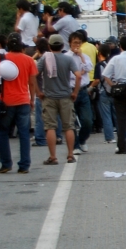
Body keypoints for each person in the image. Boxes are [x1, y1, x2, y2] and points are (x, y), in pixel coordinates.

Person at [0, 33, 38, 174]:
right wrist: (32, 99)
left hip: (6, 102)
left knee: (3, 132)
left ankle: (6, 164)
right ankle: (24, 165)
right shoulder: (29, 60)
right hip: (23, 100)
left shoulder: (2, 58)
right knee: (24, 134)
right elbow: (32, 83)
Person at [36, 33, 81, 164]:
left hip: (49, 97)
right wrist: (75, 92)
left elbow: (34, 74)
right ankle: (70, 155)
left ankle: (53, 157)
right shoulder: (68, 59)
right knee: (69, 126)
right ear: (62, 46)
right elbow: (78, 75)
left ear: (49, 46)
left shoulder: (45, 58)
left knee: (50, 127)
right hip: (66, 96)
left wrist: (38, 91)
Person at [67, 32, 95, 153]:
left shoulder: (84, 57)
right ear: (70, 43)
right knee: (71, 121)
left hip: (83, 91)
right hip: (70, 91)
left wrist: (81, 56)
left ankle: (82, 140)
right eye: (74, 42)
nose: (77, 45)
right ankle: (75, 146)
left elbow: (89, 68)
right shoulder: (66, 57)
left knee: (87, 120)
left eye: (79, 42)